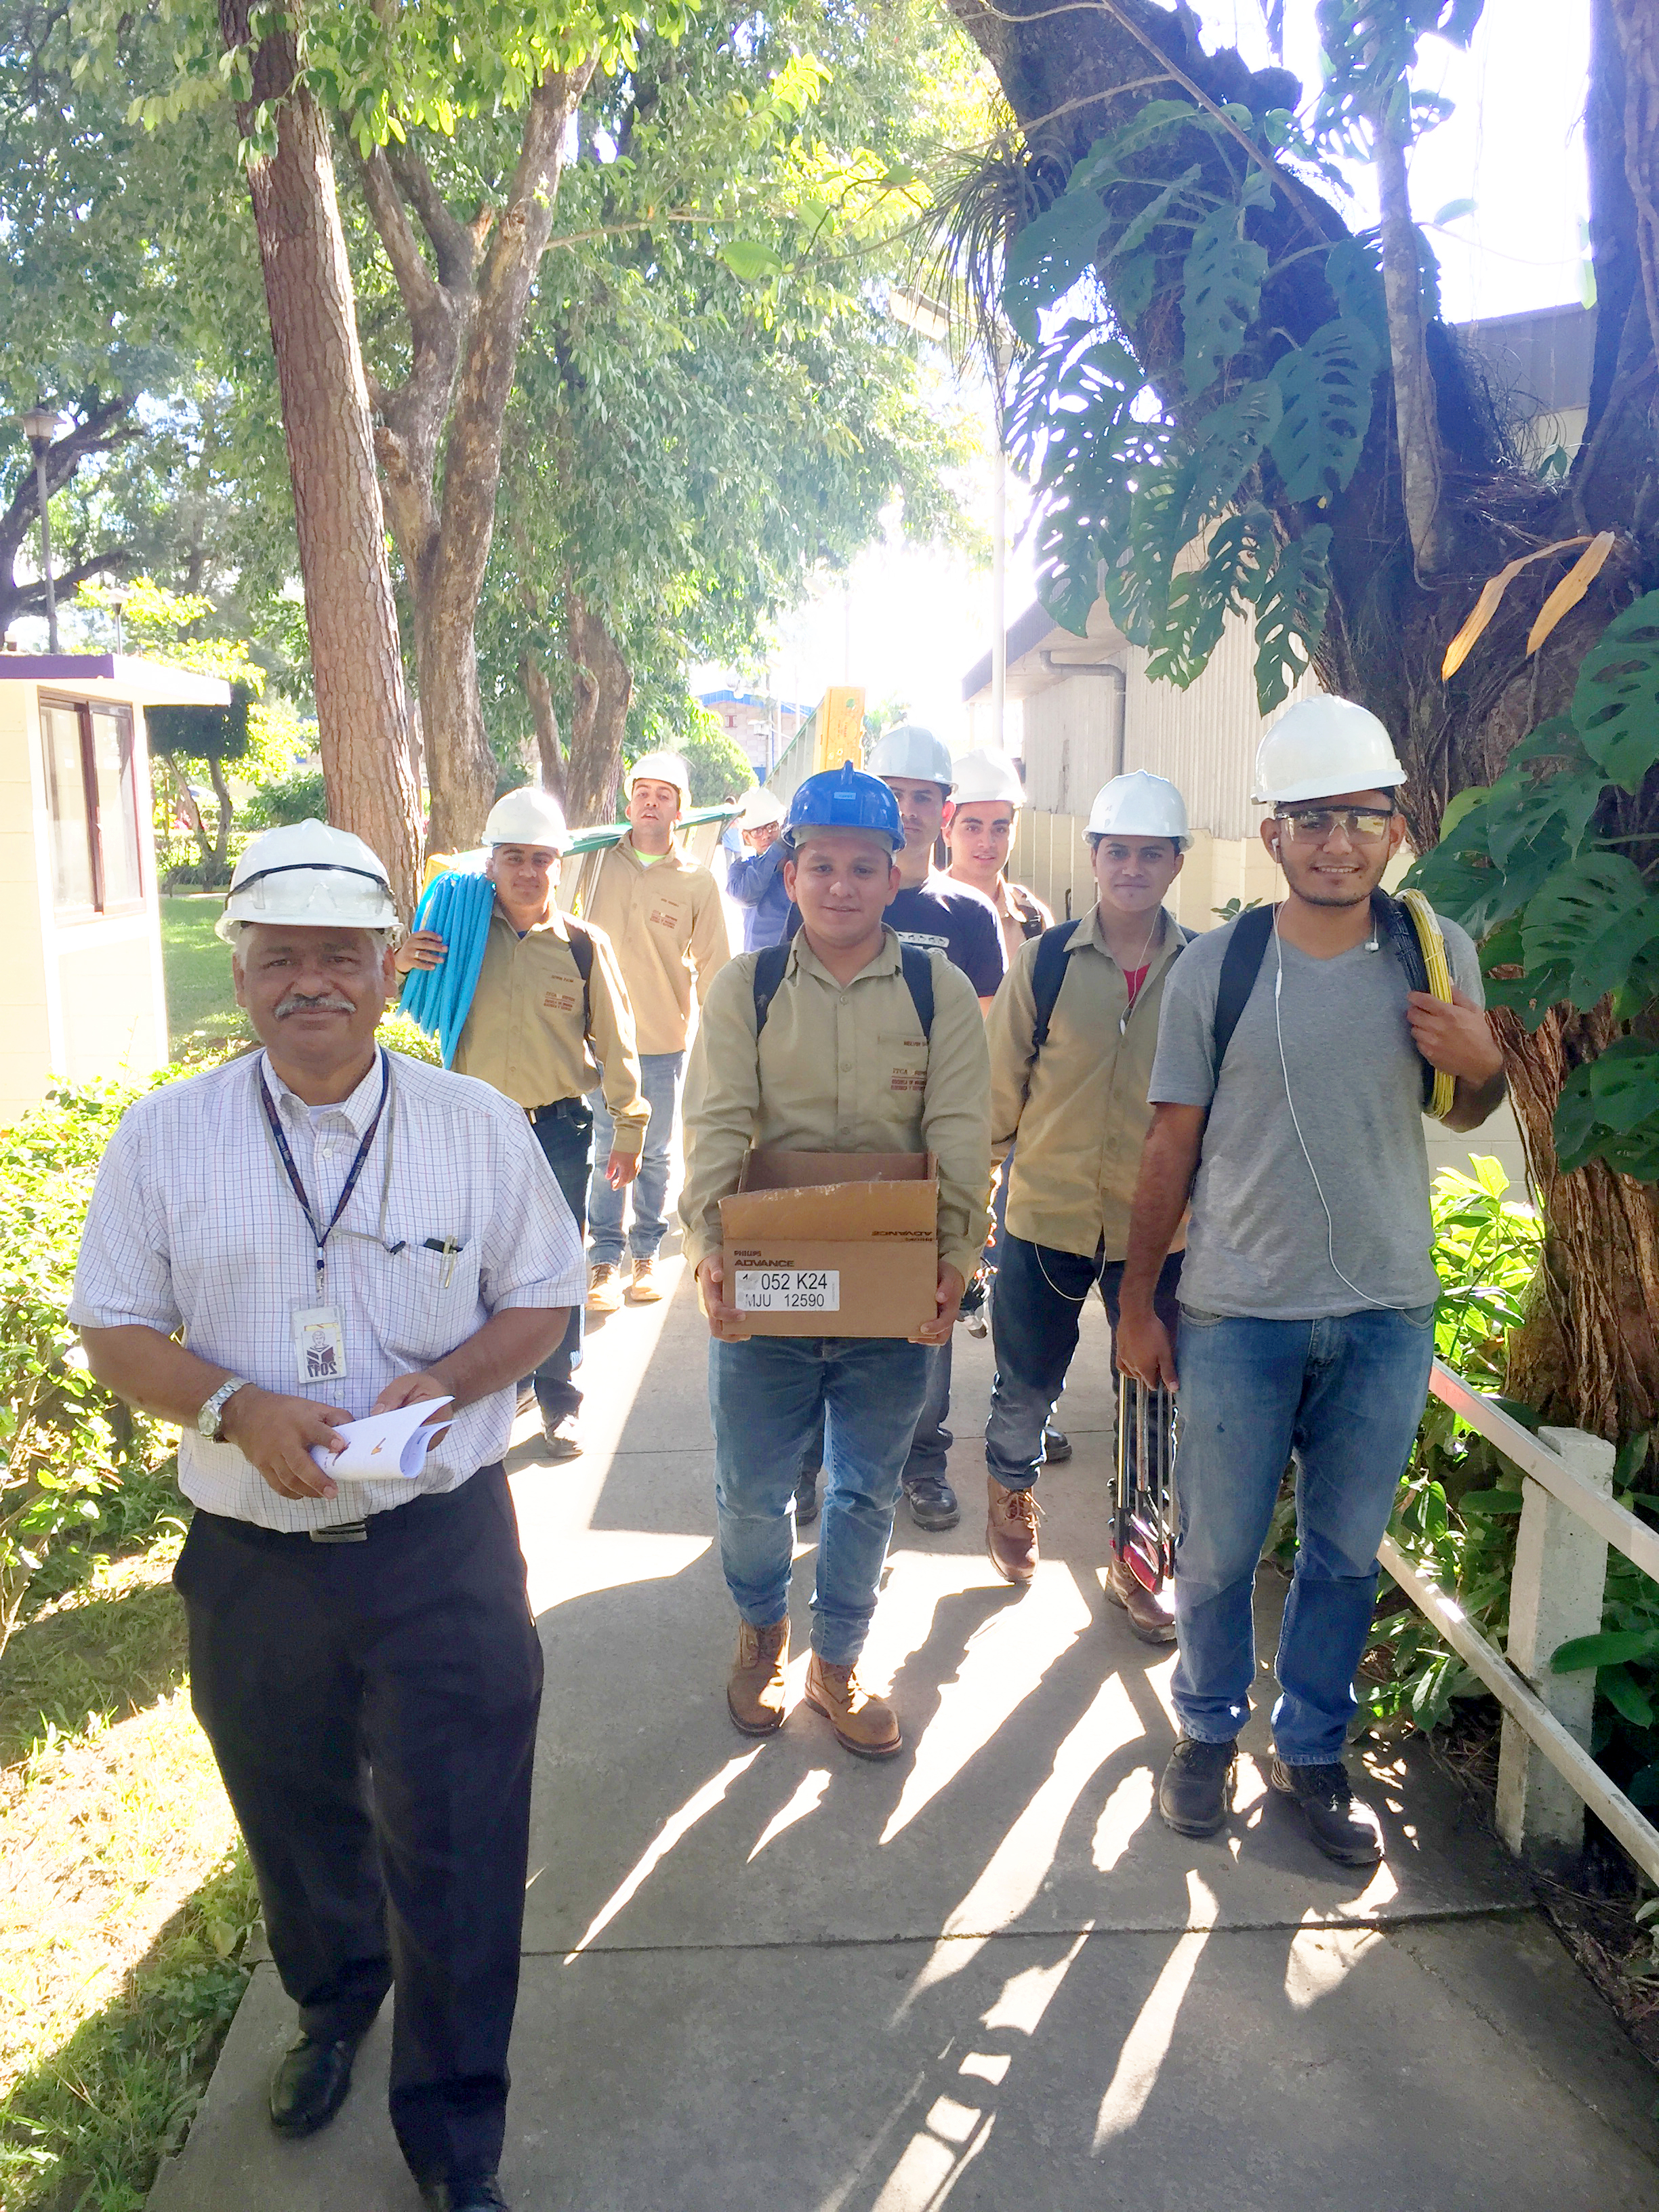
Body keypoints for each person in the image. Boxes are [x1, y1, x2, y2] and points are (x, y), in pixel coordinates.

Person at [70, 820, 584, 2212]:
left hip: (442, 1549)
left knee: (464, 1834)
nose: (311, 982)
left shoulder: (472, 1127)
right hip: (253, 1560)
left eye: (339, 957)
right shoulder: (167, 1137)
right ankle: (335, 2005)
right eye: (279, 957)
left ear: (389, 969)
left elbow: (544, 1300)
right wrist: (236, 1406)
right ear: (240, 975)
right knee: (294, 1818)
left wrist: (453, 1377)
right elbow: (110, 1324)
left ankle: (456, 2127)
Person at [1116, 699, 1507, 1867]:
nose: (1338, 839)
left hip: (1384, 1313)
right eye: (1312, 817)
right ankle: (1201, 1730)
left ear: (1394, 825)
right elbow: (1165, 1146)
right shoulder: (1217, 968)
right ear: (1270, 831)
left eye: (1362, 816)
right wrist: (1140, 1302)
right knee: (1220, 1551)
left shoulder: (1431, 953)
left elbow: (1468, 1104)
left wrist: (1483, 1067)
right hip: (1238, 1311)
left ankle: (1316, 1752)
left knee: (1343, 1551)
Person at [680, 764, 991, 1757]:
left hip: (890, 1301)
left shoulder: (940, 995)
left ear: (896, 874)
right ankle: (764, 1634)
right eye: (822, 865)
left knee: (864, 1490)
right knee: (751, 1490)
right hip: (771, 1290)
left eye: (865, 866)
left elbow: (958, 1133)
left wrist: (953, 1261)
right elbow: (718, 1126)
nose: (843, 885)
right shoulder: (751, 987)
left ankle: (838, 1662)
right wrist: (709, 1253)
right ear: (791, 871)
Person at [981, 773, 1193, 1629]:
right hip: (1044, 1218)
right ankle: (1011, 1493)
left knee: (1150, 1399)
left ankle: (1139, 1567)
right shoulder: (1046, 962)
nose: (1133, 868)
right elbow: (999, 1098)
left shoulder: (1205, 970)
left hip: (1160, 1233)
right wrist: (979, 1205)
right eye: (1118, 851)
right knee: (1026, 1386)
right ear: (1094, 857)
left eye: (1151, 853)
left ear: (1177, 862)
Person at [784, 724, 1005, 1533]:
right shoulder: (826, 895)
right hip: (824, 1164)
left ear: (945, 812)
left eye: (924, 798)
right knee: (812, 1325)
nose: (910, 811)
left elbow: (975, 1055)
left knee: (924, 1331)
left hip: (921, 1171)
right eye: (898, 795)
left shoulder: (970, 918)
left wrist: (966, 1187)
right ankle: (807, 1466)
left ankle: (923, 1463)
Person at [395, 785, 647, 1460]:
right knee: (471, 1268)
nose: (528, 873)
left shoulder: (583, 948)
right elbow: (392, 1004)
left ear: (559, 865)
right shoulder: (454, 940)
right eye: (514, 858)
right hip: (467, 1132)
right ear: (493, 862)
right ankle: (494, 1391)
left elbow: (618, 1046)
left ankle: (560, 1399)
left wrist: (630, 1126)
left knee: (556, 1271)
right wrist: (395, 964)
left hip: (557, 1128)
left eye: (541, 859)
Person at [582, 750, 731, 1311]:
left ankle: (646, 1253)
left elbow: (716, 965)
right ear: (629, 803)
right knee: (605, 1147)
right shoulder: (595, 863)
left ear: (679, 809)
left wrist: (725, 1041)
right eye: (643, 791)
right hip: (596, 1038)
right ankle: (603, 1259)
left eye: (663, 794)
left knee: (657, 1152)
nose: (651, 801)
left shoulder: (697, 883)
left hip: (662, 1038)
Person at [943, 747, 1054, 972]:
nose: (987, 843)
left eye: (1000, 829)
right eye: (973, 828)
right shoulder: (922, 911)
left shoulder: (1033, 920)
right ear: (947, 832)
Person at [724, 783, 791, 950]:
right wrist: (778, 847)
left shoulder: (798, 866)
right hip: (757, 965)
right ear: (746, 837)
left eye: (771, 827)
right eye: (757, 831)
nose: (766, 835)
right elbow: (745, 895)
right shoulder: (740, 870)